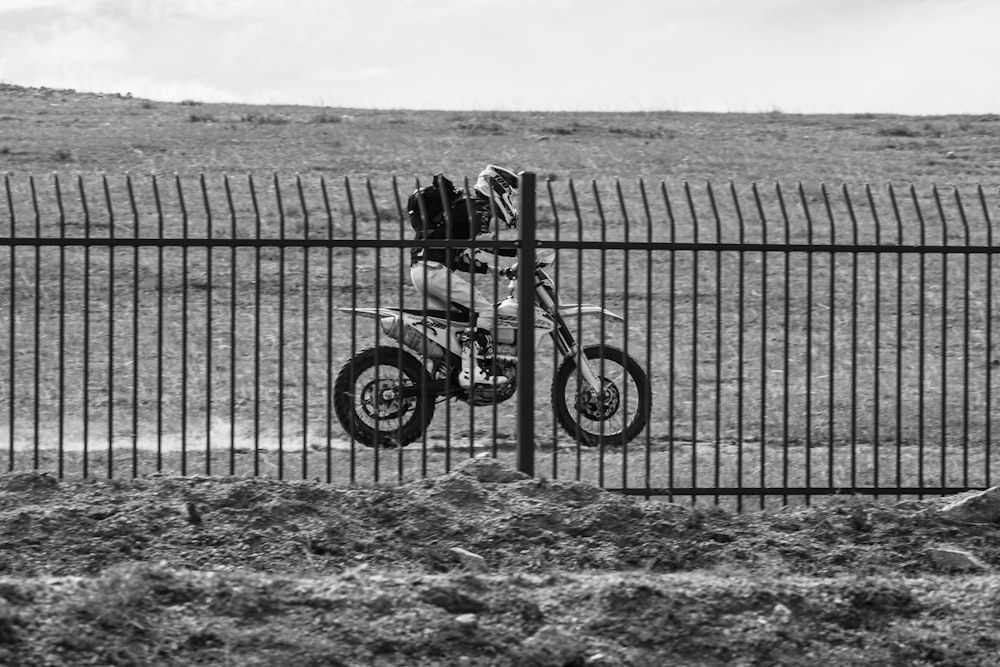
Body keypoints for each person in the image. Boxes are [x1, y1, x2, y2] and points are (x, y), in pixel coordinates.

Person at [409, 165, 519, 388]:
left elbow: (461, 256)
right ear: (499, 188)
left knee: (460, 321)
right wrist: (521, 247)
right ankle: (471, 371)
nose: (512, 202)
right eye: (511, 195)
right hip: (433, 271)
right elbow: (484, 242)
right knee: (486, 310)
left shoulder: (464, 206)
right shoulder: (478, 207)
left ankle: (453, 367)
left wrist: (495, 271)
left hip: (422, 271)